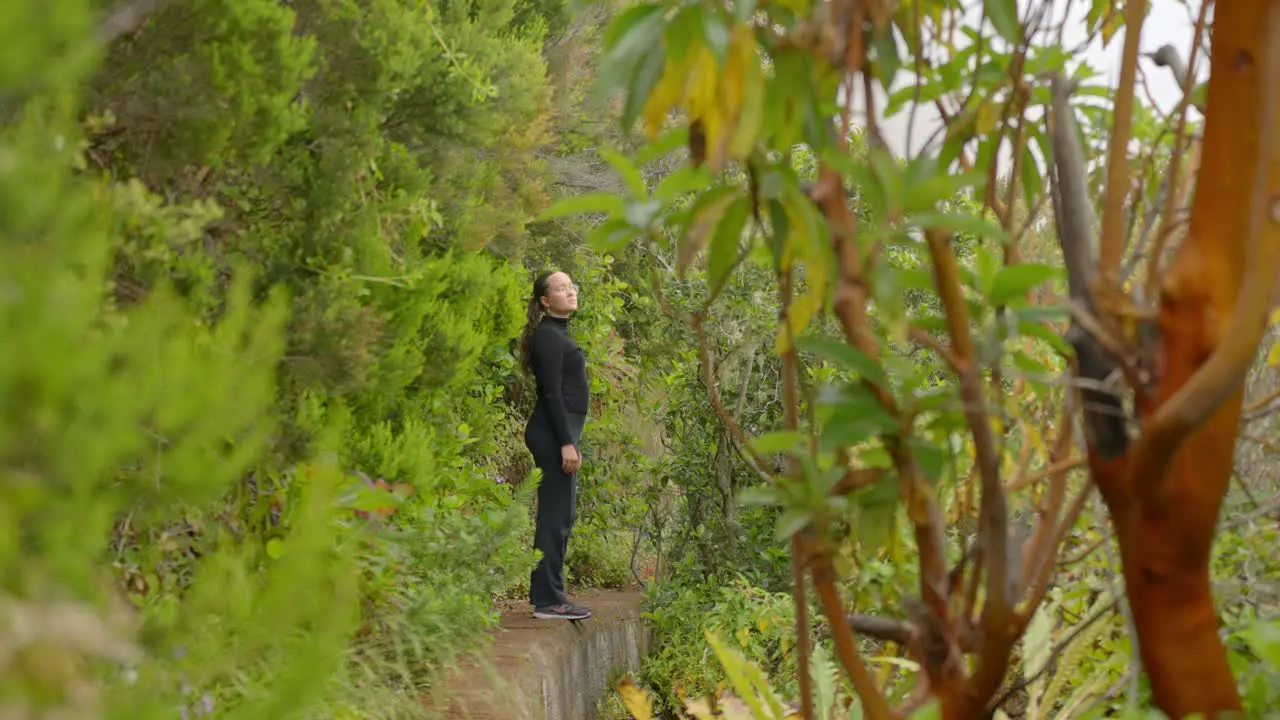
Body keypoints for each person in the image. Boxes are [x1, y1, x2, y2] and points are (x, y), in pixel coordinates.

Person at [518, 270, 592, 620]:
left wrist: (571, 439)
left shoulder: (556, 332)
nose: (569, 291)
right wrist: (566, 442)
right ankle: (548, 600)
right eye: (560, 288)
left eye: (571, 286)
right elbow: (550, 393)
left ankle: (550, 594)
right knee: (554, 517)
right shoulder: (547, 336)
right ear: (545, 300)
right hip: (552, 436)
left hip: (560, 436)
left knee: (561, 515)